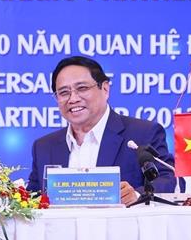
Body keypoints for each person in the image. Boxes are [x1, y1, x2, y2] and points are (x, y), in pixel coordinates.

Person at [26, 56, 179, 206]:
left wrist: (137, 195)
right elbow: (32, 200)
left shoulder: (142, 134)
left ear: (105, 89)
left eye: (82, 88)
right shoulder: (44, 147)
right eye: (64, 92)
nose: (73, 99)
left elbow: (170, 180)